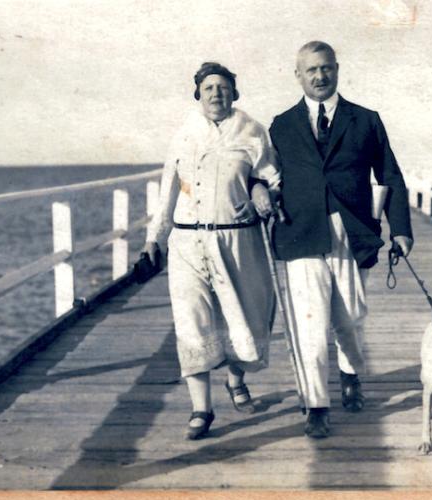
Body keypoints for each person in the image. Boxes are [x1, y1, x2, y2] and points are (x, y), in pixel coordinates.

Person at [268, 40, 414, 438]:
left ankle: (350, 373)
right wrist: (260, 192)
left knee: (349, 317)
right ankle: (317, 404)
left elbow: (390, 175)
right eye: (311, 70)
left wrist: (401, 229)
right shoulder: (281, 125)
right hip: (301, 232)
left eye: (326, 68)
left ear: (337, 69)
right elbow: (266, 173)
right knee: (310, 324)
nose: (319, 76)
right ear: (298, 75)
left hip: (351, 229)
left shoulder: (365, 120)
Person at [143, 62, 279, 440]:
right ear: (198, 95)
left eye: (223, 87)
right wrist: (154, 238)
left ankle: (235, 379)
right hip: (188, 243)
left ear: (234, 93)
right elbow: (168, 190)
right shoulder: (184, 135)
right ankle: (201, 409)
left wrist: (261, 194)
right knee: (192, 322)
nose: (216, 93)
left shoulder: (253, 132)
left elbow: (271, 177)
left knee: (245, 317)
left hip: (239, 240)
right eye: (208, 88)